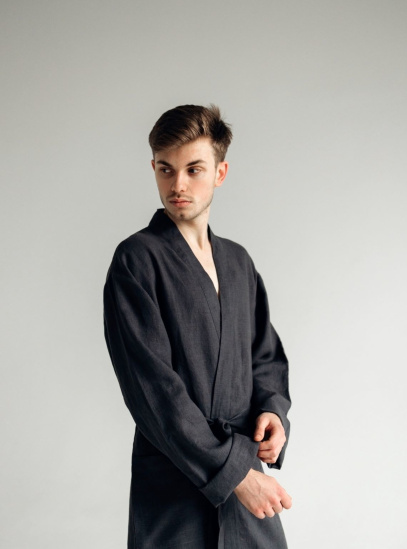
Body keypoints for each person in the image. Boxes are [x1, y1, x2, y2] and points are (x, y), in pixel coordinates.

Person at [103, 104, 292, 549]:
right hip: (175, 477)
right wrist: (235, 474)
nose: (178, 185)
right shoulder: (136, 260)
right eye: (166, 169)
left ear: (220, 172)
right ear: (153, 168)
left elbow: (264, 355)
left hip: (245, 469)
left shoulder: (238, 262)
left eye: (194, 169)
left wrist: (273, 412)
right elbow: (153, 390)